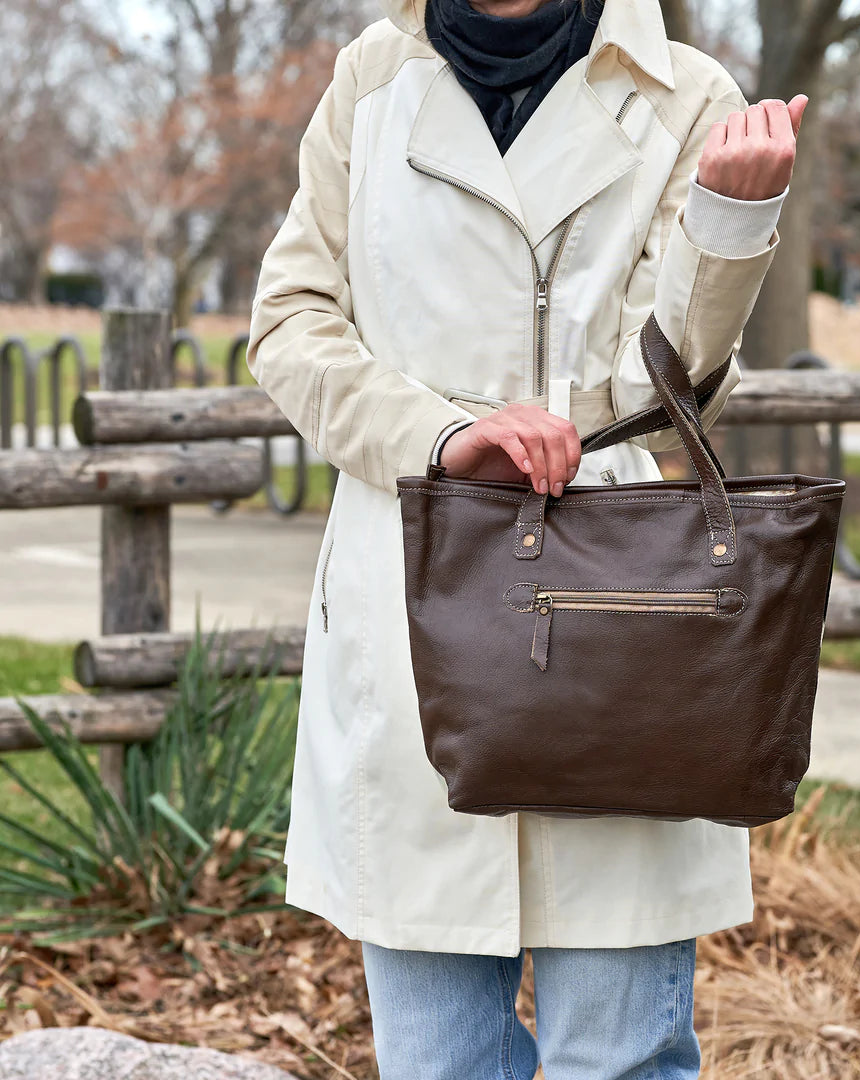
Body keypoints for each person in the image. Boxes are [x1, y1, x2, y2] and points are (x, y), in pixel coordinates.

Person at [247, 0, 805, 1071]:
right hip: (418, 588)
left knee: (622, 1053)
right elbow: (292, 323)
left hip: (619, 606)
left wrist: (730, 229)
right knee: (438, 1060)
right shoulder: (371, 77)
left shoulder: (686, 95)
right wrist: (443, 433)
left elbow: (677, 386)